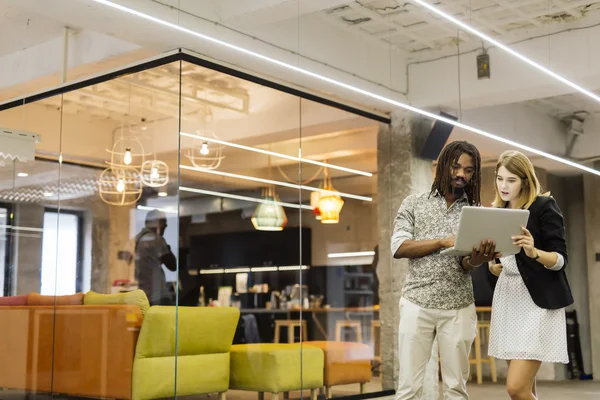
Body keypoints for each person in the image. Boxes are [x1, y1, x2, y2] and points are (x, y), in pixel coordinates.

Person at [392, 140, 499, 400]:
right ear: (442, 166)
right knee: (408, 388)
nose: (462, 174)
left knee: (456, 389)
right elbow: (399, 247)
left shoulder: (475, 212)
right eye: (456, 166)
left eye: (469, 170)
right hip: (417, 304)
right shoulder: (414, 203)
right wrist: (442, 241)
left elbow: (464, 264)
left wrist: (476, 259)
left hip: (458, 307)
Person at [487, 150, 573, 400]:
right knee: (525, 389)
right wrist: (493, 267)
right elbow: (501, 263)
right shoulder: (496, 212)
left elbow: (561, 260)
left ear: (525, 180)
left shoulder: (544, 206)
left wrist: (534, 251)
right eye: (500, 178)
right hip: (509, 299)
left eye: (511, 180)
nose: (504, 186)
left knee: (516, 387)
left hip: (537, 303)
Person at [135, 210, 177, 306]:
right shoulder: (157, 240)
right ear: (157, 223)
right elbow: (173, 265)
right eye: (164, 222)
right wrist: (168, 248)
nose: (166, 226)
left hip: (141, 295)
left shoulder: (136, 240)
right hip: (158, 295)